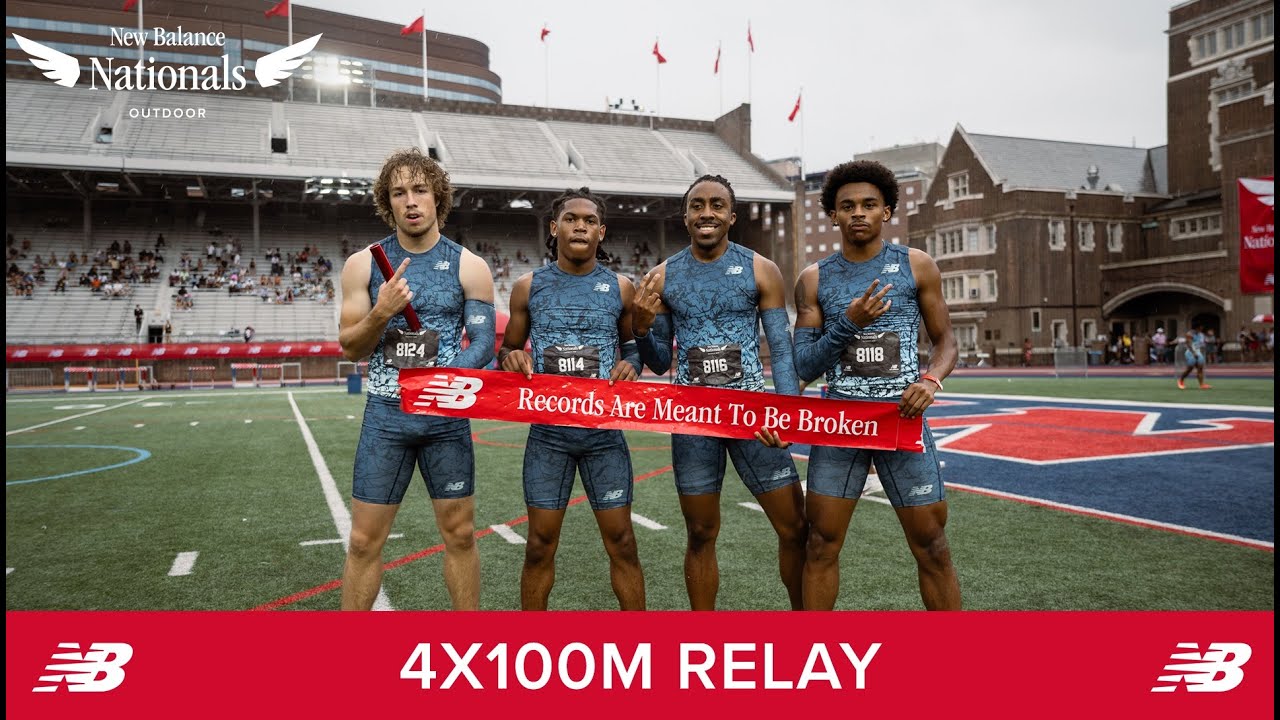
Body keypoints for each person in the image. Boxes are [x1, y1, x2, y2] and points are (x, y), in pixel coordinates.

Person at [632, 174, 807, 610]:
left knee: (794, 528)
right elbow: (659, 362)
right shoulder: (662, 276)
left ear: (732, 216)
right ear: (685, 216)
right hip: (693, 420)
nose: (706, 213)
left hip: (753, 418)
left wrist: (785, 413)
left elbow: (781, 350)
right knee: (700, 533)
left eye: (716, 205)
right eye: (697, 206)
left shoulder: (760, 269)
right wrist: (641, 329)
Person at [792, 159, 961, 610]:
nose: (859, 213)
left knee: (932, 545)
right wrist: (849, 322)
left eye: (869, 204)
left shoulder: (917, 265)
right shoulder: (814, 278)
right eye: (848, 206)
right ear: (833, 215)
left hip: (900, 418)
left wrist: (931, 379)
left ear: (887, 211)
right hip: (841, 423)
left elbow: (946, 343)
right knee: (820, 544)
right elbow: (804, 363)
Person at [338, 147, 495, 610]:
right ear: (387, 202)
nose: (410, 201)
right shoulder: (363, 264)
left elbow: (483, 343)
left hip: (445, 418)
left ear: (437, 196)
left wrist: (446, 381)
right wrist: (381, 312)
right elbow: (351, 347)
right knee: (363, 542)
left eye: (420, 190)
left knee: (460, 535)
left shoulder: (470, 265)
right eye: (399, 192)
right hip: (386, 416)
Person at [499, 187, 645, 610]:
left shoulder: (621, 288)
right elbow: (507, 349)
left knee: (623, 542)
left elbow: (633, 348)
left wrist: (631, 365)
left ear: (601, 232)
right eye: (570, 218)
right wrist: (511, 359)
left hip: (604, 434)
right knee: (539, 545)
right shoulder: (527, 287)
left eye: (589, 220)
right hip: (549, 437)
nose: (580, 226)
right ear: (553, 227)